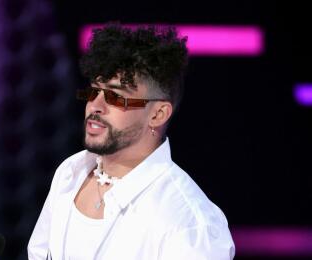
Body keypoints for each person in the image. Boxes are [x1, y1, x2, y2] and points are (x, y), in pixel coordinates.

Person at [27, 23, 235, 260]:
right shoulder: (70, 173)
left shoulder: (188, 223)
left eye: (115, 97)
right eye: (94, 91)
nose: (95, 106)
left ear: (157, 114)